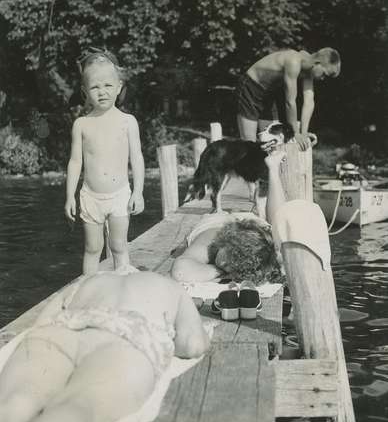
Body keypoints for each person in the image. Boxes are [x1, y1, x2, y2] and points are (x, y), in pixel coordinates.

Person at [0, 270, 210, 422]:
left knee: (22, 398)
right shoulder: (172, 288)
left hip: (65, 326)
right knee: (78, 405)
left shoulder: (91, 279)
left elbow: (43, 321)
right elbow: (193, 345)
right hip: (130, 335)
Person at [65, 48, 145, 274]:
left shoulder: (128, 122)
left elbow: (136, 158)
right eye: (95, 87)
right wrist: (69, 196)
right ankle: (89, 289)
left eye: (108, 85)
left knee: (118, 245)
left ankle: (122, 287)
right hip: (90, 196)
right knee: (92, 248)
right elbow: (75, 162)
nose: (102, 92)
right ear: (84, 91)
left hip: (119, 195)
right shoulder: (81, 124)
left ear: (119, 87)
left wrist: (138, 192)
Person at [171, 151, 286, 285]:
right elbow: (180, 272)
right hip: (215, 222)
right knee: (279, 231)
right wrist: (223, 271)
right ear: (227, 242)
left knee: (278, 235)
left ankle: (273, 167)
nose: (223, 263)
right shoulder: (211, 239)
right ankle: (273, 169)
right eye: (228, 257)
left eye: (230, 264)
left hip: (253, 227)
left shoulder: (253, 256)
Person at [236, 47, 341, 150]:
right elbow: (290, 102)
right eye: (324, 74)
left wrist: (303, 134)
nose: (323, 79)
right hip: (250, 88)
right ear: (317, 63)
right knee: (248, 146)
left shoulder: (308, 68)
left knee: (271, 142)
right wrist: (295, 133)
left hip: (268, 94)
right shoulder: (294, 61)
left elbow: (309, 102)